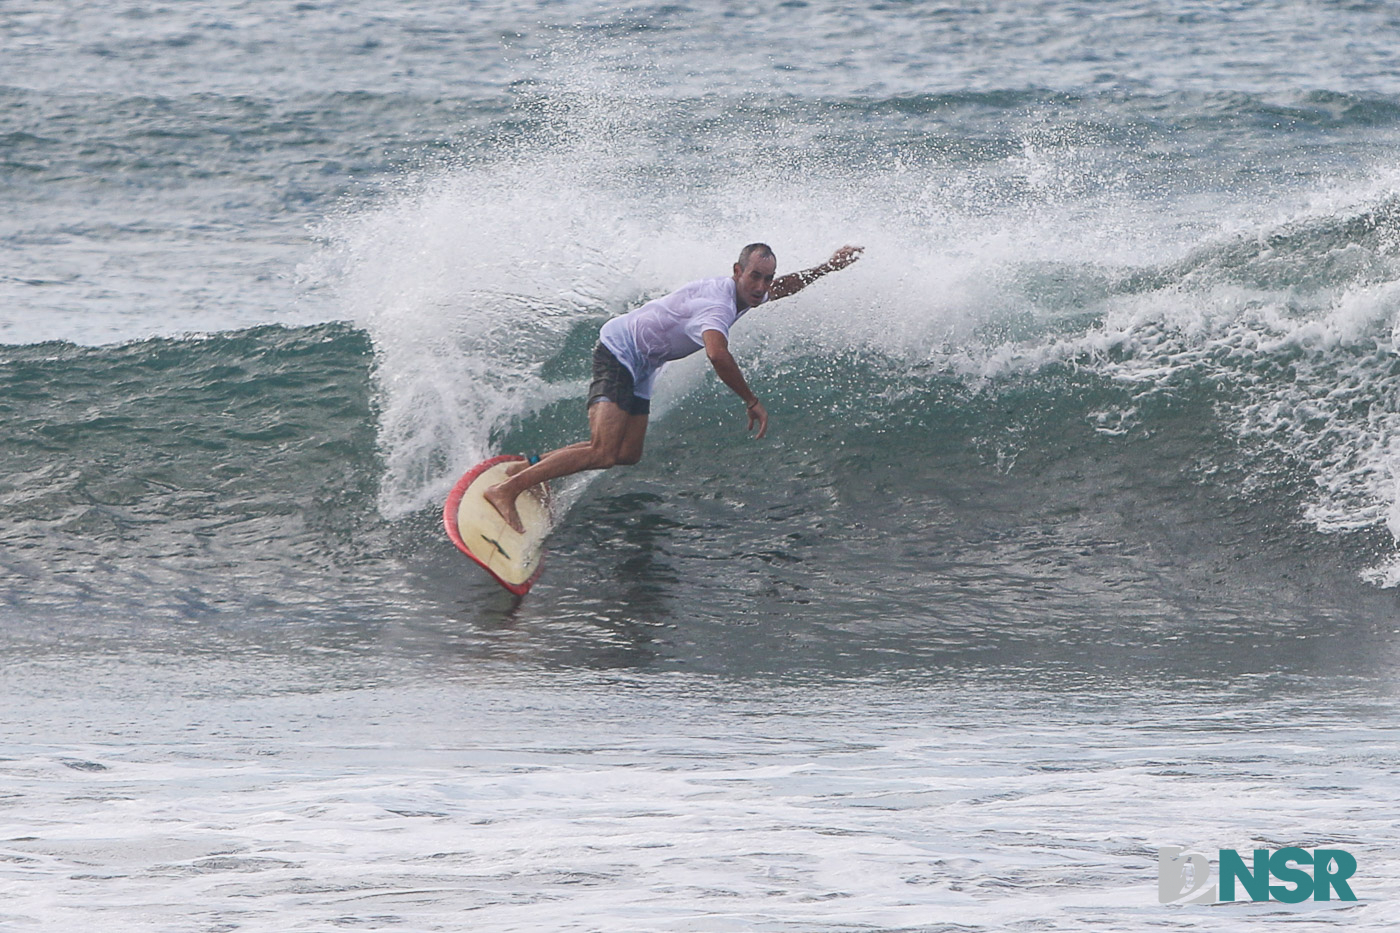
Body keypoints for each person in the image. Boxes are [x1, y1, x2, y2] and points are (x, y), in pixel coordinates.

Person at [484, 242, 864, 533]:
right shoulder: (716, 306)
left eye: (766, 279)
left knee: (627, 453)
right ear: (737, 271)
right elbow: (717, 354)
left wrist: (828, 266)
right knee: (603, 451)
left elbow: (784, 286)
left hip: (647, 363)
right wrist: (751, 399)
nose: (761, 287)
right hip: (621, 350)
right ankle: (506, 491)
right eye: (755, 277)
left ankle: (529, 466)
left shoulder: (748, 291)